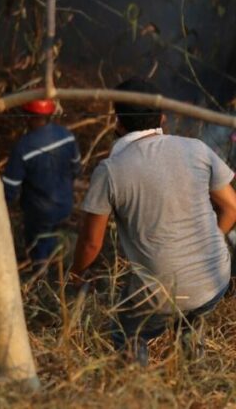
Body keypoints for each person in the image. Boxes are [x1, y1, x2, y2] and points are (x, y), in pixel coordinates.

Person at [70, 77, 236, 362]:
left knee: (126, 330)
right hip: (215, 280)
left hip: (160, 295)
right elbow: (232, 209)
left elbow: (90, 245)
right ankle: (192, 365)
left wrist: (73, 277)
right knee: (192, 312)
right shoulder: (197, 148)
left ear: (118, 123)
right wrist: (211, 242)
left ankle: (139, 391)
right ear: (162, 118)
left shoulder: (110, 171)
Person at [1, 98, 80, 269]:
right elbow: (76, 168)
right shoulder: (66, 136)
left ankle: (41, 281)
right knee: (54, 237)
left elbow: (10, 190)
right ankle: (58, 267)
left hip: (39, 212)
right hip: (65, 204)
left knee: (39, 246)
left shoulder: (23, 148)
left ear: (28, 117)